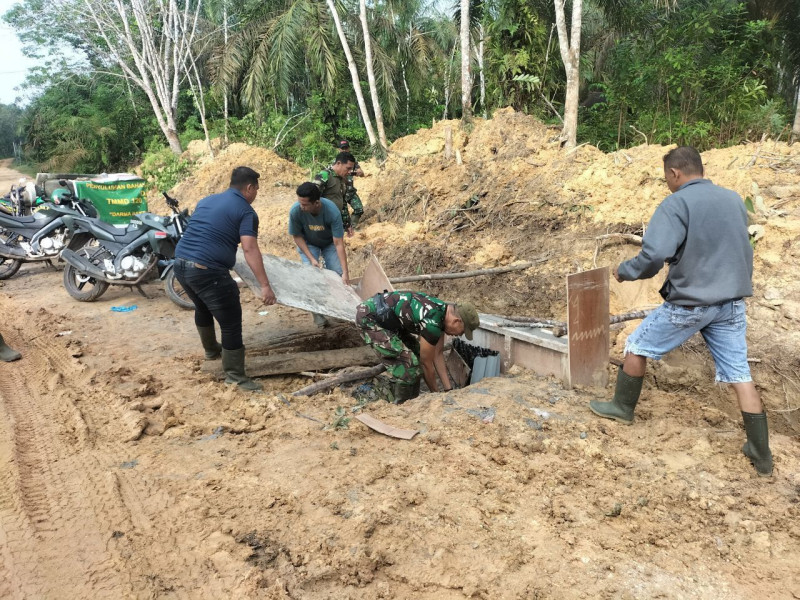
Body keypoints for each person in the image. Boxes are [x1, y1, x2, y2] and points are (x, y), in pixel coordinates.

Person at [589, 146, 773, 477]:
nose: (667, 184)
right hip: (731, 302)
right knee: (739, 374)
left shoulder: (677, 203)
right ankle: (761, 454)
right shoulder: (732, 199)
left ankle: (621, 408)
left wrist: (626, 270)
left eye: (666, 178)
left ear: (675, 173)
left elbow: (656, 253)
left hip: (691, 302)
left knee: (637, 344)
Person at [174, 166, 276, 392]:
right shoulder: (246, 212)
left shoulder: (207, 200)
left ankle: (211, 351)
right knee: (230, 322)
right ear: (249, 188)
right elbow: (249, 249)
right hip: (207, 270)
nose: (256, 194)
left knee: (202, 307)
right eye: (256, 190)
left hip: (180, 263)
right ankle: (236, 377)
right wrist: (265, 286)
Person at [356, 291, 480, 403]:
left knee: (416, 354)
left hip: (389, 320)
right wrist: (436, 396)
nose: (459, 335)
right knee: (408, 363)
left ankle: (412, 399)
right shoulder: (432, 322)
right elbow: (426, 363)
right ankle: (402, 406)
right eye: (462, 331)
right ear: (456, 321)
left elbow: (437, 354)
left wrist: (448, 390)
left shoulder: (442, 312)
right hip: (370, 318)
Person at [289, 182, 350, 327]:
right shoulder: (296, 211)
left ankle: (339, 310)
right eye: (300, 203)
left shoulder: (332, 211)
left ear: (316, 203)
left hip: (329, 243)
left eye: (305, 204)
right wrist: (311, 258)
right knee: (311, 275)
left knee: (337, 274)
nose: (301, 207)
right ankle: (318, 314)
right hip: (308, 244)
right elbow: (297, 236)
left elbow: (338, 243)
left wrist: (345, 273)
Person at [314, 151, 356, 236]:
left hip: (335, 222)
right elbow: (312, 198)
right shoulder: (325, 175)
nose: (349, 172)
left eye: (351, 169)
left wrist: (347, 224)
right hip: (322, 223)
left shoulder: (342, 179)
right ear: (338, 163)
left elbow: (342, 202)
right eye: (348, 168)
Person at [336, 140, 365, 229]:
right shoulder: (337, 161)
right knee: (344, 217)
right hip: (340, 193)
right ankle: (345, 233)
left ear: (349, 148)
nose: (344, 150)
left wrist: (352, 172)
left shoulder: (352, 161)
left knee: (359, 209)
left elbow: (361, 173)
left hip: (350, 191)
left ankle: (352, 228)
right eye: (342, 148)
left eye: (346, 148)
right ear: (339, 150)